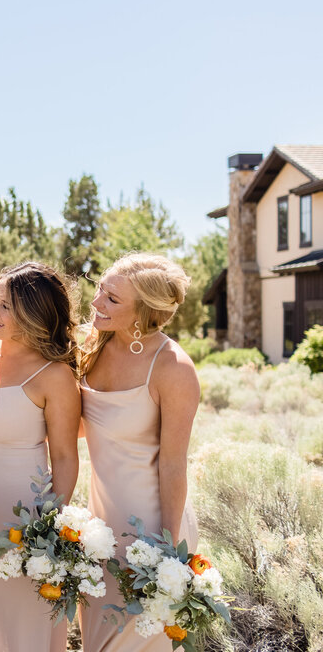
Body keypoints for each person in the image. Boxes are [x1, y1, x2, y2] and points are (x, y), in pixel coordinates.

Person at [0, 262, 81, 652]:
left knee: (20, 622)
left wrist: (49, 530)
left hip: (24, 518)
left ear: (33, 312)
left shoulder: (54, 375)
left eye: (5, 306)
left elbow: (66, 458)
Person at [78, 253, 200, 652]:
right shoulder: (90, 345)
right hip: (99, 526)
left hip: (153, 527)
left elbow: (172, 464)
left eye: (112, 299)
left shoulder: (172, 367)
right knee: (96, 640)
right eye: (100, 289)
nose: (96, 302)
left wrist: (170, 550)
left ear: (143, 312)